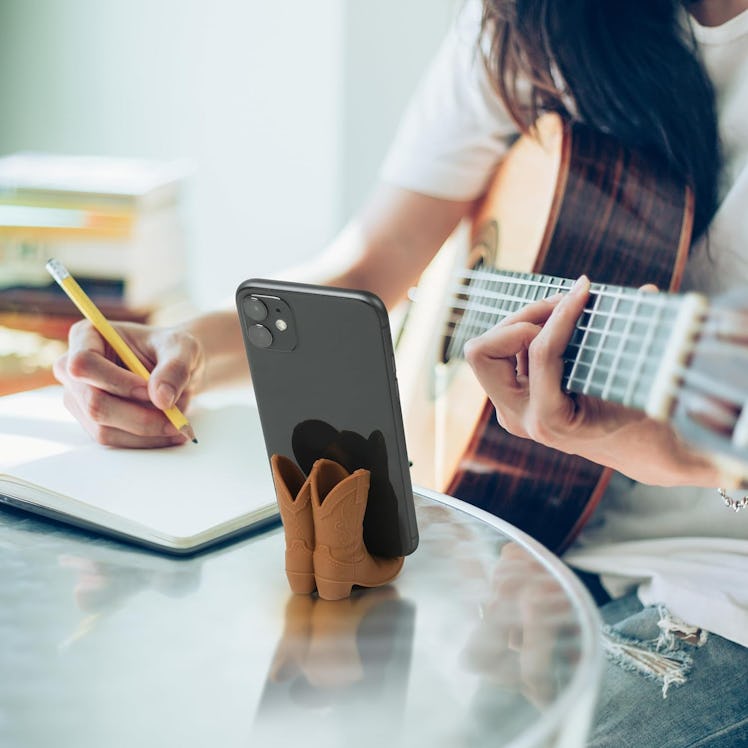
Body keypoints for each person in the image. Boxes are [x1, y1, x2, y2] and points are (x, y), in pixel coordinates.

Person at [53, 0, 748, 744]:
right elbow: (368, 275)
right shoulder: (533, 20)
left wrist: (702, 460)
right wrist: (182, 346)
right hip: (509, 526)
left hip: (719, 586)